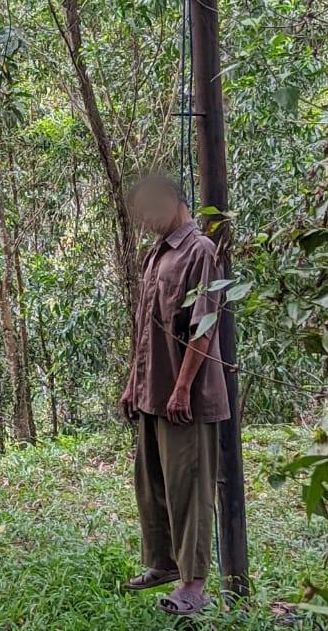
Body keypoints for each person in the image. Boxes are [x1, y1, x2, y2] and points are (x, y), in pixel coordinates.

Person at [121, 173, 231, 617]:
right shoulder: (156, 255)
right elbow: (145, 328)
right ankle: (163, 564)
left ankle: (195, 585)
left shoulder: (200, 251)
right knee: (152, 485)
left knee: (189, 488)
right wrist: (134, 382)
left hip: (187, 396)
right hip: (153, 391)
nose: (145, 220)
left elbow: (204, 325)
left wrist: (184, 386)